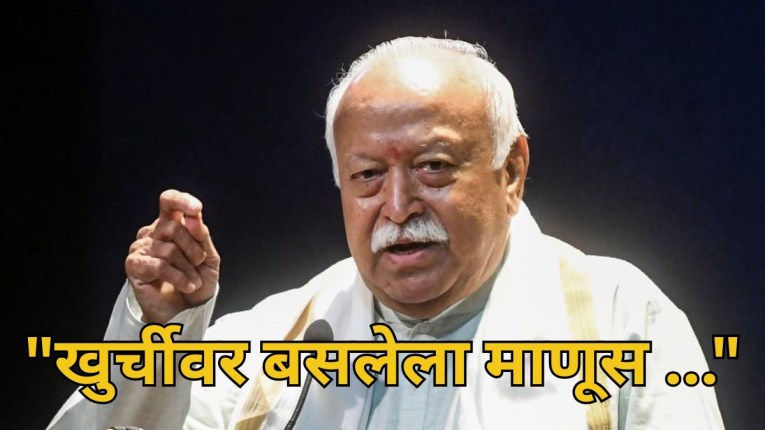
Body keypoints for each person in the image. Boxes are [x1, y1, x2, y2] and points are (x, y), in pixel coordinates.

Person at [47, 36, 725, 430]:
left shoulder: (618, 324)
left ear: (511, 170)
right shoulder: (275, 345)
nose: (397, 207)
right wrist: (159, 332)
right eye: (367, 175)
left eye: (433, 167)